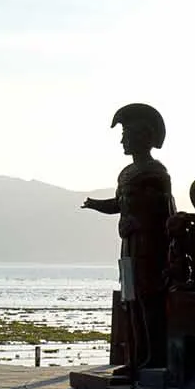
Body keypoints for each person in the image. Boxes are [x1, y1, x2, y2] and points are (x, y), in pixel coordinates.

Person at [82, 103, 175, 373]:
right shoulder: (126, 173)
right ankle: (135, 358)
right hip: (129, 245)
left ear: (144, 138)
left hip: (149, 246)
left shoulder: (155, 172)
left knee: (148, 299)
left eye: (127, 135)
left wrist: (140, 223)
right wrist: (96, 205)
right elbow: (120, 204)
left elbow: (163, 209)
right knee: (130, 299)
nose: (123, 141)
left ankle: (154, 357)